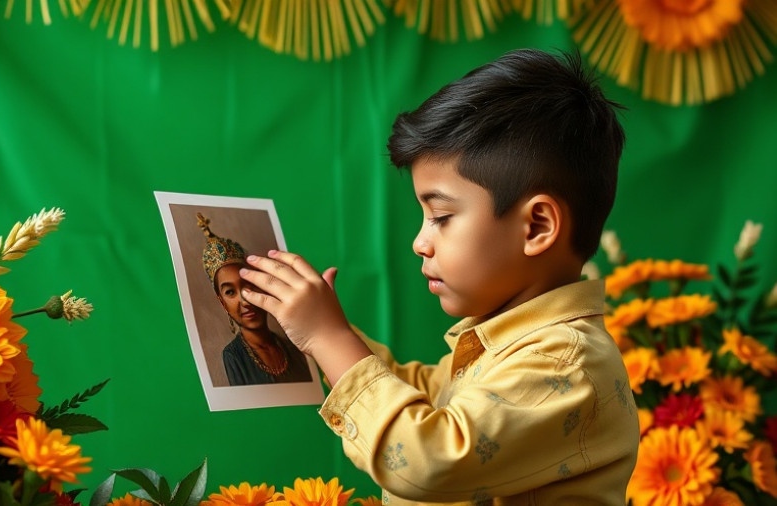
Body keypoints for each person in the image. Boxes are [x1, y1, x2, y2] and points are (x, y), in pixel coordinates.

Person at [238, 49, 640, 504]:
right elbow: (426, 396)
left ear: (537, 227)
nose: (420, 242)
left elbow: (425, 461)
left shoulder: (566, 363)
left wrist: (329, 338)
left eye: (442, 216)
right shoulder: (506, 342)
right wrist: (316, 335)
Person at [196, 213, 311, 386]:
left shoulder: (292, 346)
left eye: (248, 285)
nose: (245, 300)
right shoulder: (233, 356)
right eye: (230, 292)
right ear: (222, 302)